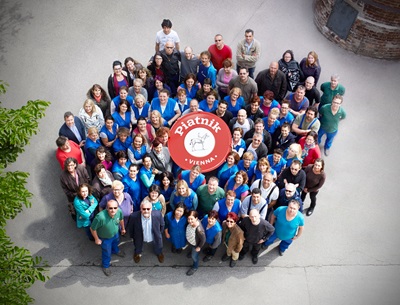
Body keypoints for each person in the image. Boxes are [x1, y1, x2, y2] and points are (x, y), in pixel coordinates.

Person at [90, 199, 126, 276]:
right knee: (106, 252)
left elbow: (121, 219)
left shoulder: (119, 211)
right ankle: (105, 266)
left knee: (116, 244)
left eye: (115, 208)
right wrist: (96, 239)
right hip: (105, 238)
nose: (113, 210)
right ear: (107, 208)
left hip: (116, 234)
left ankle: (116, 251)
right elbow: (92, 228)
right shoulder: (100, 217)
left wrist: (123, 228)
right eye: (110, 208)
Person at [185, 210, 206, 276]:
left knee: (194, 256)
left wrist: (199, 247)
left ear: (196, 218)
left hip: (195, 245)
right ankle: (192, 252)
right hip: (191, 242)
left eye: (192, 219)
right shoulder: (191, 224)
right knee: (192, 251)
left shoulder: (199, 229)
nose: (190, 221)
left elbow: (203, 239)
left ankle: (195, 267)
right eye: (188, 219)